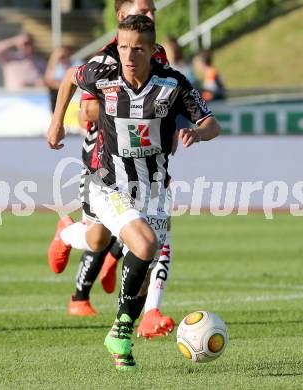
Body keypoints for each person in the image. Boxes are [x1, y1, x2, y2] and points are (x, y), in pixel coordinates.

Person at [47, 14, 220, 370]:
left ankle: (67, 234)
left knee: (103, 246)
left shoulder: (172, 85)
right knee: (144, 245)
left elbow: (211, 123)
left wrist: (197, 134)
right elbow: (68, 77)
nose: (127, 55)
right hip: (107, 183)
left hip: (153, 190)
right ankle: (121, 333)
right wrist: (56, 121)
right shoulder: (104, 75)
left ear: (152, 50)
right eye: (123, 46)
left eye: (136, 49)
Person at [47, 0, 176, 339]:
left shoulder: (156, 54)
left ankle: (148, 313)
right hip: (103, 166)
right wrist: (60, 121)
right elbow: (88, 109)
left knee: (153, 235)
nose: (151, 15)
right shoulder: (106, 60)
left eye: (152, 11)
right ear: (122, 17)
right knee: (96, 238)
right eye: (143, 11)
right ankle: (65, 236)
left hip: (147, 169)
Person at [44, 46, 78, 112]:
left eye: (64, 55)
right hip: (57, 98)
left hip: (74, 99)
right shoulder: (56, 67)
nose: (62, 58)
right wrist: (53, 59)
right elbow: (48, 81)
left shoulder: (76, 64)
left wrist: (59, 84)